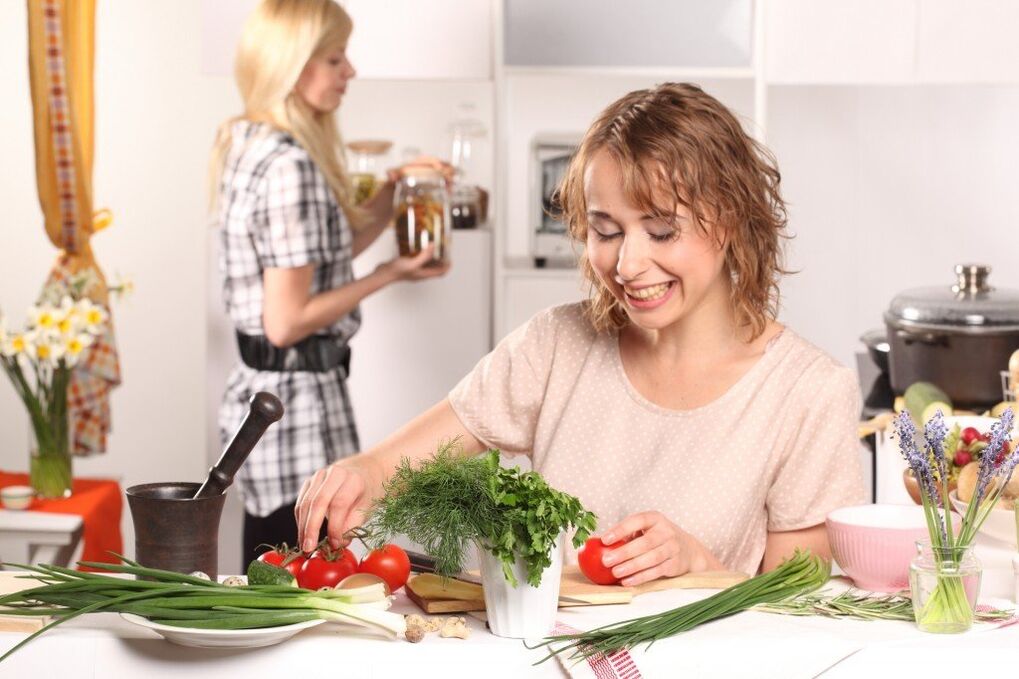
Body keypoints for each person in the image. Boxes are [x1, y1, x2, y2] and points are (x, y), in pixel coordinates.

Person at [295, 83, 865, 584]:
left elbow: (796, 608)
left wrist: (700, 567)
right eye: (605, 230)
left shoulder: (809, 393)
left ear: (734, 219)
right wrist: (360, 474)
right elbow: (418, 450)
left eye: (662, 232)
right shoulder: (555, 345)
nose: (628, 264)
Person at [209, 0, 448, 568]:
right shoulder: (291, 166)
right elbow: (286, 321)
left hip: (270, 399)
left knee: (274, 568)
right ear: (293, 64)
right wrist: (391, 273)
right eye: (336, 58)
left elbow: (321, 257)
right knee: (292, 574)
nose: (351, 72)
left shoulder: (251, 143)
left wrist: (393, 194)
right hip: (295, 411)